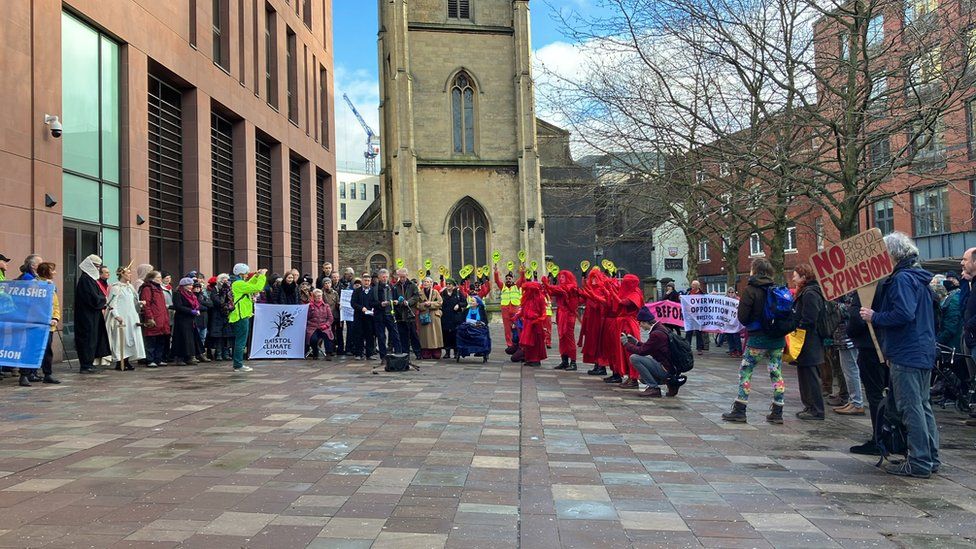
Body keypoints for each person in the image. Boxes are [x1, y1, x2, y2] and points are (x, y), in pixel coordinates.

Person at [860, 232, 940, 478]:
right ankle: (929, 457)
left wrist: (875, 316)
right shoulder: (918, 278)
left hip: (907, 352)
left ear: (891, 255)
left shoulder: (902, 279)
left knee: (911, 407)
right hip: (921, 350)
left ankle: (919, 461)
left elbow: (903, 314)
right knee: (922, 405)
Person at [722, 258, 787, 424]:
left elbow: (742, 317)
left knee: (746, 371)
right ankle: (778, 411)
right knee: (776, 372)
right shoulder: (776, 288)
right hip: (777, 340)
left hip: (757, 338)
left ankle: (740, 409)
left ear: (754, 271)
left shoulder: (751, 290)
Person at [847, 292, 888, 454]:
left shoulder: (867, 288)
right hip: (888, 344)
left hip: (870, 345)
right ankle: (887, 436)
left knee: (875, 394)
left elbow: (856, 320)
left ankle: (879, 439)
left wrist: (851, 331)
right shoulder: (890, 283)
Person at [792, 263, 826, 421]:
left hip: (809, 340)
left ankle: (816, 409)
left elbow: (810, 318)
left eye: (796, 275)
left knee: (810, 375)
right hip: (806, 339)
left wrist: (798, 327)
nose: (793, 277)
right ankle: (810, 406)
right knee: (805, 374)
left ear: (804, 277)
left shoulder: (810, 293)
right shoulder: (807, 291)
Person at [623, 307, 676, 398]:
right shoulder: (660, 328)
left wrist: (626, 344)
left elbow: (642, 351)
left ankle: (653, 387)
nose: (640, 326)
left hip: (666, 369)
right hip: (669, 367)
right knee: (642, 378)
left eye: (640, 323)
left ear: (644, 322)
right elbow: (649, 347)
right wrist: (636, 342)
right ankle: (669, 383)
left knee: (634, 358)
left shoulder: (656, 334)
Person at [73, 254, 111, 374]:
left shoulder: (90, 280)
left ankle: (89, 362)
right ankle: (85, 364)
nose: (97, 269)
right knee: (87, 338)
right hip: (86, 316)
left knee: (92, 338)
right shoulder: (85, 280)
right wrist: (104, 299)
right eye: (96, 266)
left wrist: (102, 299)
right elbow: (92, 298)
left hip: (93, 314)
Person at [105, 265, 146, 370]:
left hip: (131, 316)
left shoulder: (130, 287)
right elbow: (111, 303)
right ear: (122, 274)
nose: (130, 275)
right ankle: (120, 362)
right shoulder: (116, 287)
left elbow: (132, 301)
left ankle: (127, 361)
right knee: (122, 339)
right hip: (122, 317)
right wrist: (116, 315)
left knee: (131, 339)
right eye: (128, 273)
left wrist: (140, 303)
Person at [229, 264, 268, 373]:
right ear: (241, 273)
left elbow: (249, 285)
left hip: (241, 315)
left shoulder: (238, 283)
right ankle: (238, 365)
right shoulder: (238, 283)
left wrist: (256, 276)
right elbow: (257, 287)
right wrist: (262, 276)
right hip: (240, 315)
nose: (247, 275)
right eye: (246, 273)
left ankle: (238, 364)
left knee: (240, 340)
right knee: (241, 341)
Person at [831, 294, 865, 416]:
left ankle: (857, 402)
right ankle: (853, 401)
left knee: (851, 370)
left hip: (848, 338)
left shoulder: (852, 295)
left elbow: (849, 312)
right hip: (842, 337)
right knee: (848, 370)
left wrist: (834, 306)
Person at [543, 270, 581, 371]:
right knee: (562, 338)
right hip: (561, 314)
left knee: (569, 338)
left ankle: (573, 362)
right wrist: (547, 285)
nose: (560, 279)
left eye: (563, 277)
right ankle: (564, 361)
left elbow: (560, 289)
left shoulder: (571, 287)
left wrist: (547, 284)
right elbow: (552, 291)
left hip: (568, 316)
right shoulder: (563, 287)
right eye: (560, 277)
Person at [34, 262, 61, 384]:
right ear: (46, 272)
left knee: (47, 351)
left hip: (49, 324)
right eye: (52, 270)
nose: (54, 272)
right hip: (36, 323)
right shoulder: (35, 284)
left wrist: (55, 318)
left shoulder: (52, 286)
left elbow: (55, 304)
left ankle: (47, 373)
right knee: (33, 348)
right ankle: (27, 373)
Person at [579, 268, 609, 376]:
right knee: (593, 342)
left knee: (599, 343)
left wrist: (590, 295)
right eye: (591, 278)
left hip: (598, 320)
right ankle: (597, 364)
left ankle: (601, 366)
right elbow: (583, 300)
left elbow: (601, 304)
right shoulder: (591, 289)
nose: (593, 280)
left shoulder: (601, 289)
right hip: (591, 320)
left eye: (595, 278)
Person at [139, 271, 171, 368]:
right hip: (154, 318)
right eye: (158, 277)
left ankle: (158, 359)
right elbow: (146, 305)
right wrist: (149, 318)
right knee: (151, 341)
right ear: (152, 279)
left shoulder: (158, 289)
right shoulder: (148, 289)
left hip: (162, 319)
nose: (160, 279)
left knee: (160, 340)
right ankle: (150, 360)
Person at [960, 248, 976, 426]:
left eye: (965, 259)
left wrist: (969, 325)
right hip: (971, 338)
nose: (962, 263)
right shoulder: (972, 284)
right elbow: (964, 307)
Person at [171, 277, 203, 366]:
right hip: (182, 318)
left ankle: (189, 356)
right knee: (182, 338)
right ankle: (180, 357)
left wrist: (196, 309)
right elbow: (179, 306)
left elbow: (195, 303)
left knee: (190, 338)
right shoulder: (178, 294)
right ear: (183, 286)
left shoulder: (191, 294)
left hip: (190, 319)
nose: (190, 286)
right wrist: (191, 311)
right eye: (188, 285)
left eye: (191, 285)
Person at [369, 269, 400, 360]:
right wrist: (380, 304)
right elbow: (371, 303)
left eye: (386, 277)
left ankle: (399, 354)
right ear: (379, 277)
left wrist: (396, 301)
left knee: (395, 334)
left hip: (390, 314)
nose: (385, 279)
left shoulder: (392, 287)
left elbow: (397, 298)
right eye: (383, 277)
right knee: (381, 336)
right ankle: (383, 357)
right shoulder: (374, 289)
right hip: (379, 315)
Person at [393, 268, 422, 358]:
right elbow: (394, 297)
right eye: (400, 277)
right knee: (403, 335)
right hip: (400, 314)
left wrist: (409, 302)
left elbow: (416, 296)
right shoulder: (395, 286)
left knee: (413, 334)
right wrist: (396, 302)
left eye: (403, 277)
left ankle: (418, 352)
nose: (402, 279)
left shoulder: (412, 285)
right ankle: (405, 353)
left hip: (410, 313)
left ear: (407, 276)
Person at [519, 281, 548, 367]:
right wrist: (516, 317)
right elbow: (523, 310)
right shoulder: (527, 299)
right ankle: (529, 358)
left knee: (535, 342)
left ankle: (536, 359)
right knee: (528, 343)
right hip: (527, 323)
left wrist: (539, 319)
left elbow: (544, 312)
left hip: (535, 323)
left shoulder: (540, 298)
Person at [494, 266, 524, 347]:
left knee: (517, 326)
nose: (508, 280)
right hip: (505, 309)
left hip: (515, 308)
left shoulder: (516, 286)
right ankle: (509, 344)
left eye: (509, 278)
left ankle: (518, 342)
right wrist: (496, 272)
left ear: (512, 279)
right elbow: (497, 281)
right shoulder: (502, 286)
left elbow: (522, 279)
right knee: (507, 328)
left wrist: (522, 271)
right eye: (507, 278)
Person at [206, 275, 235, 361]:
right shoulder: (215, 289)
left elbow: (232, 300)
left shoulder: (230, 290)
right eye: (223, 281)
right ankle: (218, 353)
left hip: (227, 315)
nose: (225, 283)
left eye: (226, 281)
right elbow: (216, 300)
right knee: (218, 335)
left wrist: (229, 306)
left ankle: (226, 353)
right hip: (217, 314)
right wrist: (222, 296)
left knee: (227, 335)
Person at [416, 277, 444, 359]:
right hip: (424, 315)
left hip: (434, 315)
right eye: (424, 282)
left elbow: (440, 302)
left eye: (428, 282)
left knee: (436, 334)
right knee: (425, 335)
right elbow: (417, 304)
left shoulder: (435, 292)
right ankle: (426, 351)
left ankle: (436, 351)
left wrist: (431, 304)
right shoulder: (419, 293)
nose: (426, 283)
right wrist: (424, 305)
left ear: (431, 283)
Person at [351, 273, 376, 359]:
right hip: (359, 317)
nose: (367, 282)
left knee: (370, 335)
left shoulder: (373, 291)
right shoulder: (357, 291)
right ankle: (359, 353)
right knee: (359, 335)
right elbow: (353, 303)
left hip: (369, 317)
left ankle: (370, 353)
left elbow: (375, 302)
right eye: (365, 280)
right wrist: (361, 308)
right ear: (362, 281)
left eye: (368, 281)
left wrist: (373, 308)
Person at [440, 279, 466, 359]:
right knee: (446, 334)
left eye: (450, 284)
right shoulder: (443, 293)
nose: (448, 285)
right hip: (445, 317)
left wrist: (459, 305)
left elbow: (465, 302)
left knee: (455, 334)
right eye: (447, 284)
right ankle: (447, 352)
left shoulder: (458, 293)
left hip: (456, 317)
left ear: (453, 285)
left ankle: (456, 351)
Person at [306, 289, 334, 360]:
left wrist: (326, 325)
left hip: (324, 327)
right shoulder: (309, 306)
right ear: (314, 297)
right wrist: (311, 310)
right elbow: (307, 317)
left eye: (320, 296)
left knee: (328, 337)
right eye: (317, 296)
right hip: (313, 327)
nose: (319, 297)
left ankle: (328, 353)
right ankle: (315, 352)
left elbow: (330, 318)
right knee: (313, 339)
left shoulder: (326, 306)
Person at [685, 280, 707, 354]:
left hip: (698, 316)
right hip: (690, 316)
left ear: (698, 286)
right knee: (689, 332)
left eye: (694, 285)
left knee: (698, 332)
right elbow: (684, 302)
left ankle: (699, 348)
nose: (692, 286)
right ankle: (687, 347)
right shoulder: (688, 293)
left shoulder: (702, 294)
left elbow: (705, 304)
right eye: (692, 285)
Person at [320, 278, 340, 358]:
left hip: (335, 315)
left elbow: (337, 302)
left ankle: (333, 349)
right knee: (328, 333)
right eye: (326, 283)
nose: (327, 285)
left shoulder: (335, 293)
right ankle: (329, 350)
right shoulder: (321, 293)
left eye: (329, 283)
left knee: (334, 333)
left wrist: (339, 305)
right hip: (325, 316)